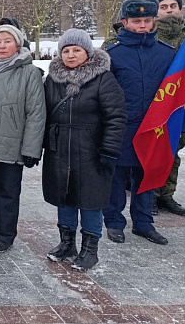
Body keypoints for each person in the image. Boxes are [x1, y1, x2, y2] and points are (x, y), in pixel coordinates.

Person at [42, 29, 126, 271]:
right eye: (66, 50)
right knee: (64, 197)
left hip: (91, 149)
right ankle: (66, 243)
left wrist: (109, 150)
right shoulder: (53, 79)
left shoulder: (103, 79)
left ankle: (90, 249)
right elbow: (43, 115)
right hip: (60, 149)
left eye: (76, 50)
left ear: (87, 53)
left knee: (90, 201)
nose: (70, 55)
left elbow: (116, 117)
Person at [103, 0, 174, 246]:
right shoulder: (112, 54)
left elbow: (175, 92)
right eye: (136, 21)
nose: (142, 25)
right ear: (125, 22)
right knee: (116, 175)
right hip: (122, 125)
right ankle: (113, 222)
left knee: (146, 175)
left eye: (146, 20)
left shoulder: (167, 54)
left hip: (153, 127)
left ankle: (143, 223)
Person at [0, 24, 45, 253]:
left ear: (17, 44)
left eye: (7, 41)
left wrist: (31, 148)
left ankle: (6, 235)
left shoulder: (30, 73)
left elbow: (36, 112)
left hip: (12, 145)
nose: (2, 46)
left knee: (8, 193)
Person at [151, 0, 185, 216]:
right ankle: (151, 195)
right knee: (154, 150)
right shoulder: (150, 35)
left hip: (181, 105)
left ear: (179, 9)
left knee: (174, 151)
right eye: (163, 7)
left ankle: (167, 194)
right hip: (156, 103)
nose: (168, 11)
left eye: (172, 6)